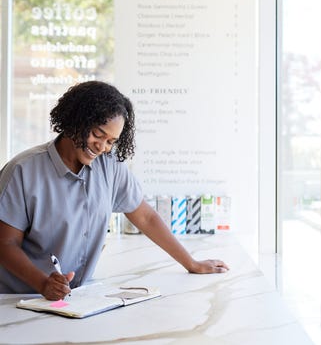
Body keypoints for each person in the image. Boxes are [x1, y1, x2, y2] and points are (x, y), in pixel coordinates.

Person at [0, 81, 229, 300]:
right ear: (75, 120)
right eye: (98, 134)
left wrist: (191, 263)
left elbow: (145, 217)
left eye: (111, 141)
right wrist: (42, 283)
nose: (102, 147)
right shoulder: (22, 171)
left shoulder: (109, 166)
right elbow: (5, 244)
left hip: (73, 299)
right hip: (18, 299)